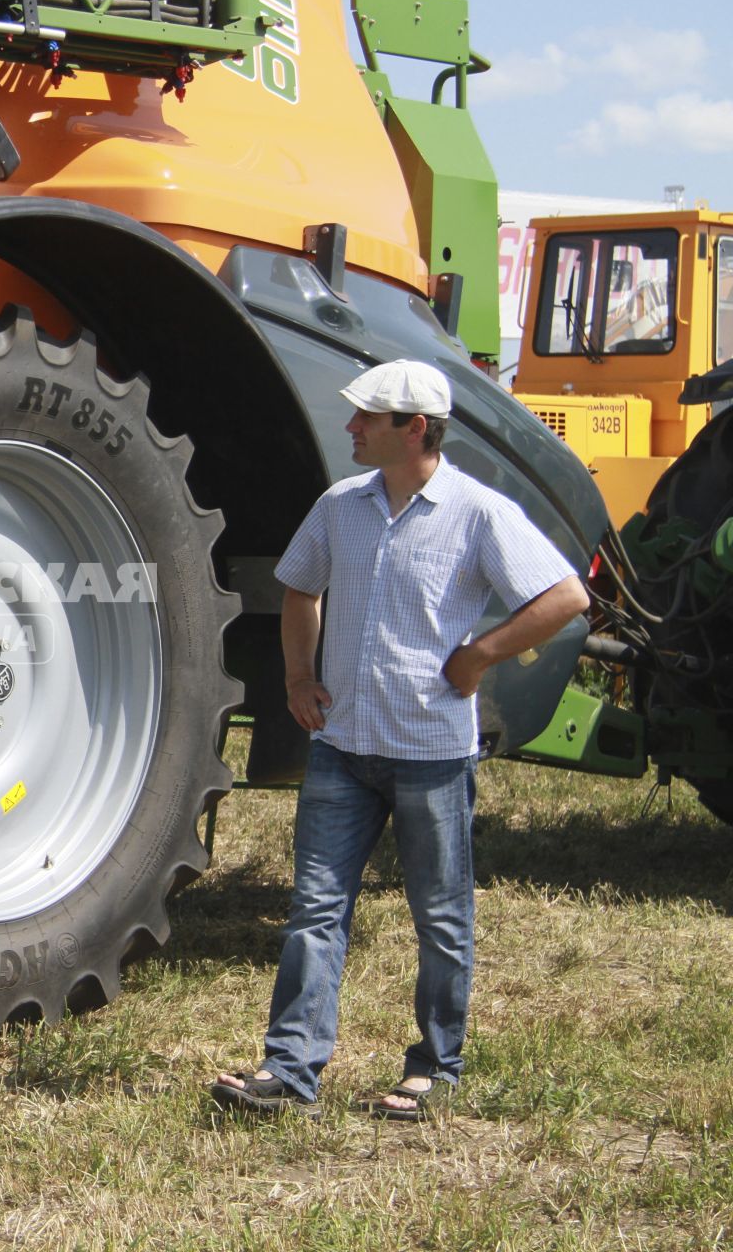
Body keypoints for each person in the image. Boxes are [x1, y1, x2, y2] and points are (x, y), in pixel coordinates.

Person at [209, 358, 589, 1121]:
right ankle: (289, 1072)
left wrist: (481, 654)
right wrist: (295, 678)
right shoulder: (339, 506)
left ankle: (434, 1070)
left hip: (432, 755)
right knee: (315, 909)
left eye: (367, 418)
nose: (351, 426)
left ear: (414, 428)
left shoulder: (478, 513)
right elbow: (300, 589)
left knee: (440, 918)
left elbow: (567, 597)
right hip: (343, 747)